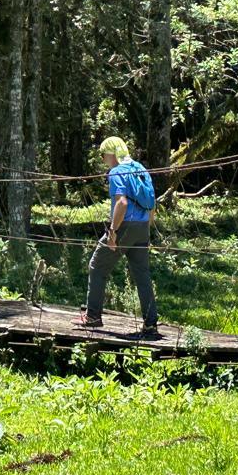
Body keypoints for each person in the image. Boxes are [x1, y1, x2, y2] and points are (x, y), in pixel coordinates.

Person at [76, 136, 160, 338]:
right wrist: (146, 227)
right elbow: (152, 201)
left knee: (97, 266)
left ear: (111, 154)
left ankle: (93, 316)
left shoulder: (116, 172)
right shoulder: (140, 168)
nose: (103, 159)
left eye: (103, 155)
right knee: (142, 274)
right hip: (142, 226)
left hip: (125, 226)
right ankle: (151, 324)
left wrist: (113, 232)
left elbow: (122, 203)